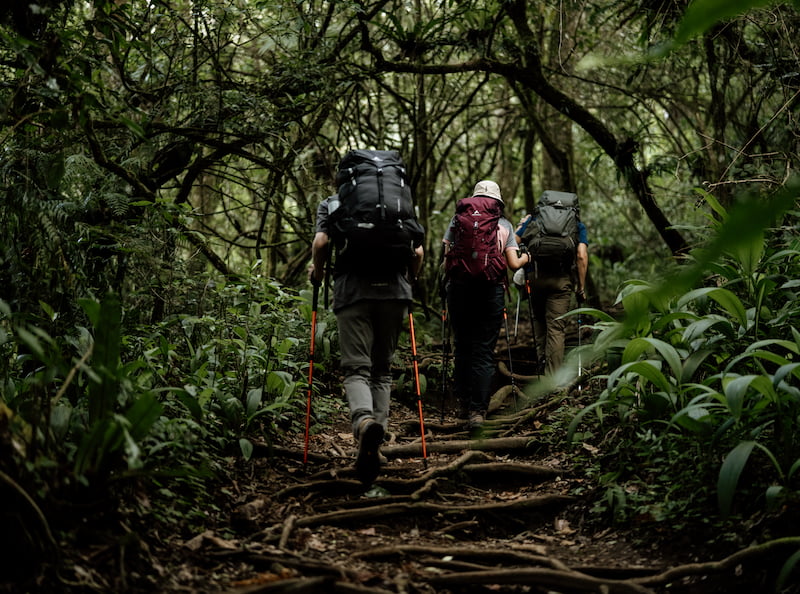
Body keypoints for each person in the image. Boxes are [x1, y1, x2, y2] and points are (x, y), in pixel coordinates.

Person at [309, 195, 424, 484]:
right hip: (395, 293)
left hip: (353, 293)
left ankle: (363, 422)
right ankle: (376, 443)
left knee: (356, 369)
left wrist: (319, 272)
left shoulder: (333, 203)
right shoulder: (399, 203)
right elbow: (418, 252)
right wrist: (410, 279)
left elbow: (321, 243)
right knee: (382, 371)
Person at [442, 180, 530, 430]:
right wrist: (527, 257)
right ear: (497, 202)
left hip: (459, 290)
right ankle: (478, 412)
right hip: (490, 292)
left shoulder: (458, 220)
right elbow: (513, 264)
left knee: (462, 345)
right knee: (483, 350)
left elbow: (446, 251)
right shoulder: (504, 225)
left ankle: (461, 404)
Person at [515, 208, 588, 376]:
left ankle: (541, 366)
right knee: (556, 328)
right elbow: (582, 256)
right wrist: (581, 287)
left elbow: (513, 240)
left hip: (535, 277)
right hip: (561, 280)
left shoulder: (534, 219)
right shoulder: (576, 225)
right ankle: (552, 379)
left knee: (540, 322)